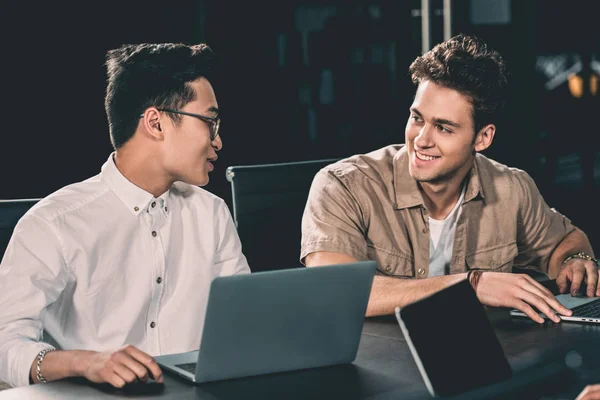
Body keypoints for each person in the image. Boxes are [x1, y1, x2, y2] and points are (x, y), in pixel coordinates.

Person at [0, 42, 249, 388]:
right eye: (210, 122)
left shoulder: (213, 214)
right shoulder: (55, 224)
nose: (218, 141)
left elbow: (244, 326)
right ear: (155, 123)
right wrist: (85, 362)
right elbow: (4, 343)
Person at [301, 34, 599, 322]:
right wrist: (472, 285)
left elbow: (566, 240)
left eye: (443, 128)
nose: (421, 140)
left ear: (483, 138)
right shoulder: (343, 186)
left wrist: (576, 260)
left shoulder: (511, 187)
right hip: (375, 361)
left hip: (479, 356)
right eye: (417, 118)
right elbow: (335, 292)